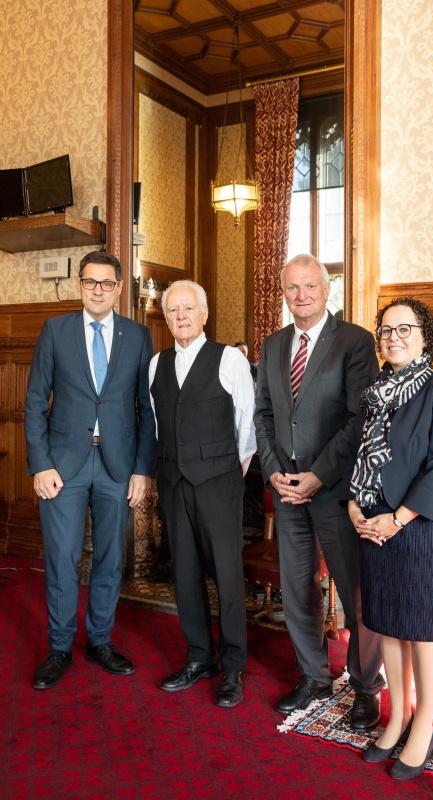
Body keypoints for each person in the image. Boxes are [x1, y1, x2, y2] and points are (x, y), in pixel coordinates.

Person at [254, 253, 384, 729]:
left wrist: (318, 476)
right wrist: (273, 473)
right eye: (292, 288)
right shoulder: (272, 346)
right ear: (284, 293)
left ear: (327, 290)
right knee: (297, 590)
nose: (301, 295)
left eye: (310, 286)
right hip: (287, 492)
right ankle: (313, 675)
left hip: (335, 492)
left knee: (355, 592)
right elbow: (263, 416)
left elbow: (358, 421)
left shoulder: (354, 342)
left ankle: (366, 687)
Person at [344, 297, 433, 780]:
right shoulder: (374, 391)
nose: (393, 337)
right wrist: (355, 506)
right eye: (386, 330)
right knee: (388, 625)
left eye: (404, 328)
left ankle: (424, 728)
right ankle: (396, 718)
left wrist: (397, 518)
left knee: (423, 632)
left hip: (420, 528)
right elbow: (359, 456)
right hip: (373, 526)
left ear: (424, 336)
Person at [25, 250, 157, 689]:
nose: (98, 290)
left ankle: (99, 640)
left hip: (117, 465)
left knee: (109, 558)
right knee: (62, 558)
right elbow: (33, 402)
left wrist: (141, 470)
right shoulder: (55, 330)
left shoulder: (138, 336)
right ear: (79, 285)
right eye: (90, 282)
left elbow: (147, 408)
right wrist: (40, 465)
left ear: (119, 288)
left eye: (106, 283)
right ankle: (59, 647)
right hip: (63, 466)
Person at [150, 280, 255, 708]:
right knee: (185, 573)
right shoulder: (156, 363)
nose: (180, 317)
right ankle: (199, 657)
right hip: (173, 483)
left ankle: (233, 667)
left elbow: (247, 425)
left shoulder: (229, 359)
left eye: (188, 309)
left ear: (204, 314)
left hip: (219, 482)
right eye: (173, 310)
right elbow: (158, 426)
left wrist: (229, 471)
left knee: (228, 577)